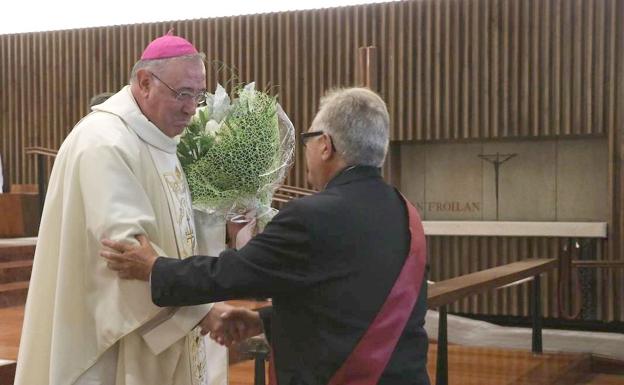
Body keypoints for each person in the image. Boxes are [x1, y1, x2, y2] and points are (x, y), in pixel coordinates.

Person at [103, 87, 431, 385]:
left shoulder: (311, 216)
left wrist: (154, 268)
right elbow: (350, 300)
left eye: (308, 140)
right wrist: (264, 321)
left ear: (325, 146)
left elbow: (230, 274)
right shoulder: (404, 212)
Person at [15, 32, 232, 385]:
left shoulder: (158, 139)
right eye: (182, 93)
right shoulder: (105, 142)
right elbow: (126, 253)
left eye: (198, 94)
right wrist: (200, 310)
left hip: (153, 332)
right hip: (107, 343)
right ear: (145, 82)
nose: (192, 108)